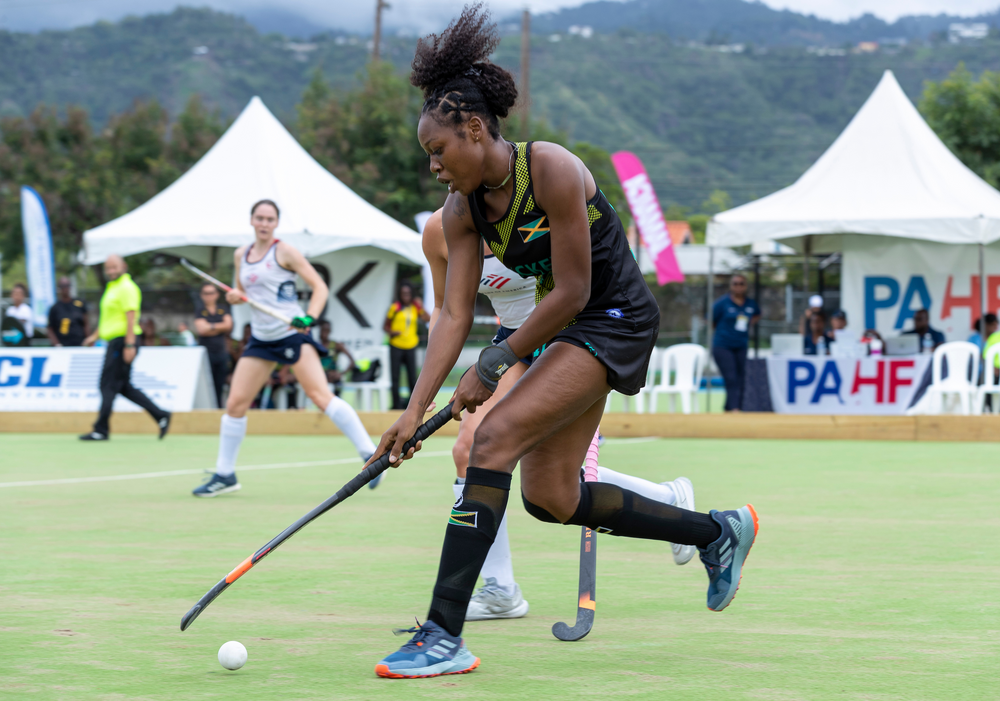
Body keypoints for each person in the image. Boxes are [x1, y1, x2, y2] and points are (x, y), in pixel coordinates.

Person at [370, 7, 758, 679]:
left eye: (438, 150)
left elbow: (575, 291)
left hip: (613, 317)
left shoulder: (549, 168)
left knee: (490, 442)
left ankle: (442, 633)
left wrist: (496, 363)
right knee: (551, 496)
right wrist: (412, 412)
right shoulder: (461, 212)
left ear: (473, 128)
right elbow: (454, 314)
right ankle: (716, 531)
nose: (433, 166)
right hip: (566, 329)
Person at [423, 207, 698, 622]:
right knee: (469, 450)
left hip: (572, 340)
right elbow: (444, 309)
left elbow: (589, 277)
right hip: (512, 345)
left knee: (559, 478)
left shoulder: (533, 212)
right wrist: (427, 386)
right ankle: (500, 591)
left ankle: (667, 501)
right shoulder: (437, 231)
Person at [192, 199, 378, 497]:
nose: (264, 223)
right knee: (235, 404)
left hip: (290, 334)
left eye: (270, 219)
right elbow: (242, 290)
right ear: (251, 220)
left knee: (320, 396)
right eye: (259, 218)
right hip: (261, 340)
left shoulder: (285, 252)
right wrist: (235, 297)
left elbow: (320, 287)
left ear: (276, 223)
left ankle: (372, 455)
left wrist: (310, 317)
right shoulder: (242, 255)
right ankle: (225, 475)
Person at [79, 255, 171, 441]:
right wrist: (94, 336)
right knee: (122, 387)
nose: (111, 271)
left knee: (107, 385)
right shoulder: (112, 287)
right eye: (108, 268)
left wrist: (129, 345)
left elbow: (131, 318)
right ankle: (161, 415)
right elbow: (109, 318)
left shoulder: (127, 287)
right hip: (115, 341)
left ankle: (100, 430)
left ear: (124, 267)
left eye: (114, 267)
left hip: (123, 341)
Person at [712, 273, 761, 412]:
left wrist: (749, 323)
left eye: (741, 283)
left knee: (741, 378)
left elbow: (757, 314)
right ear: (731, 286)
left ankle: (730, 408)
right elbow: (711, 320)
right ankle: (735, 409)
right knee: (731, 377)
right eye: (735, 283)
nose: (738, 286)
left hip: (741, 345)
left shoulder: (750, 303)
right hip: (723, 345)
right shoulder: (722, 303)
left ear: (746, 286)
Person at [384, 282, 430, 409]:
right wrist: (393, 332)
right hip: (396, 345)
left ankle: (412, 406)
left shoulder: (415, 307)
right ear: (400, 294)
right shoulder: (395, 307)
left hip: (411, 345)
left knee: (412, 377)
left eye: (408, 293)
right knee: (395, 377)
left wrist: (421, 306)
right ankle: (396, 405)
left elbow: (427, 319)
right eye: (403, 293)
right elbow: (385, 327)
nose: (406, 296)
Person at [193, 282, 234, 408]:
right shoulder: (200, 310)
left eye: (211, 293)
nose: (209, 296)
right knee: (207, 384)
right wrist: (219, 327)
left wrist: (210, 326)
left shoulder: (223, 308)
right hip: (206, 353)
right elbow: (201, 329)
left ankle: (218, 408)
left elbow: (228, 326)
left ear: (216, 294)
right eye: (206, 293)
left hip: (221, 352)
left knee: (220, 384)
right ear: (201, 295)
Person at [47, 277, 89, 347]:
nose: (65, 288)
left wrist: (88, 340)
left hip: (80, 344)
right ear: (59, 288)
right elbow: (50, 329)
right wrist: (57, 344)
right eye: (63, 286)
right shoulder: (55, 308)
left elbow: (86, 324)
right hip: (63, 346)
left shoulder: (79, 304)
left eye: (67, 285)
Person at [318, 320, 354, 394]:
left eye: (327, 330)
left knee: (337, 384)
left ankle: (335, 399)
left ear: (330, 331)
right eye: (323, 330)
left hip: (332, 376)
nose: (324, 333)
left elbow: (352, 361)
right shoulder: (315, 346)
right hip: (318, 376)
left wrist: (341, 373)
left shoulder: (336, 345)